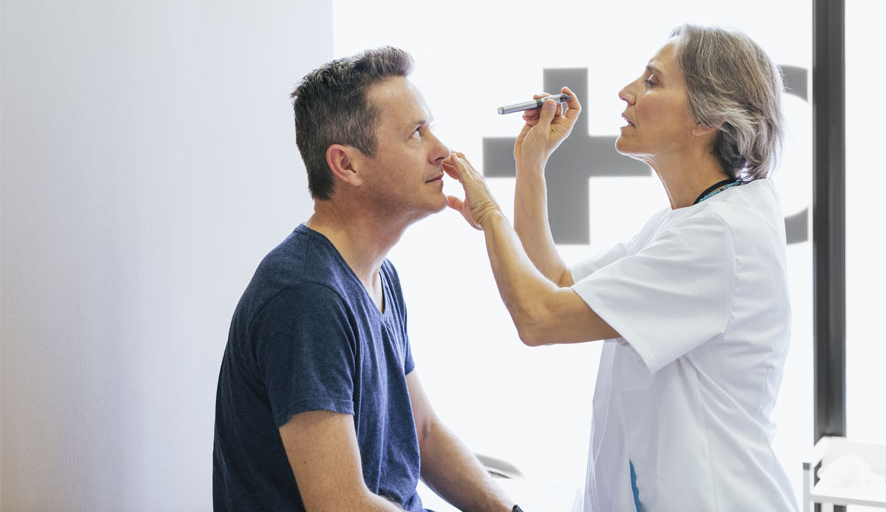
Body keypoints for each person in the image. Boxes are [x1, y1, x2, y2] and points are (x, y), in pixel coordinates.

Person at [443, 25, 798, 511]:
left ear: (708, 117)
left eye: (652, 81)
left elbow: (540, 318)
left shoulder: (720, 237)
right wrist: (531, 163)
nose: (626, 92)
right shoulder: (685, 224)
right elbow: (556, 284)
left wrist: (489, 214)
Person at [213, 46, 517, 512]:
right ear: (347, 165)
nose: (442, 152)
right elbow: (341, 505)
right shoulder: (306, 297)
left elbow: (425, 434)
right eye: (416, 134)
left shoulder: (379, 274)